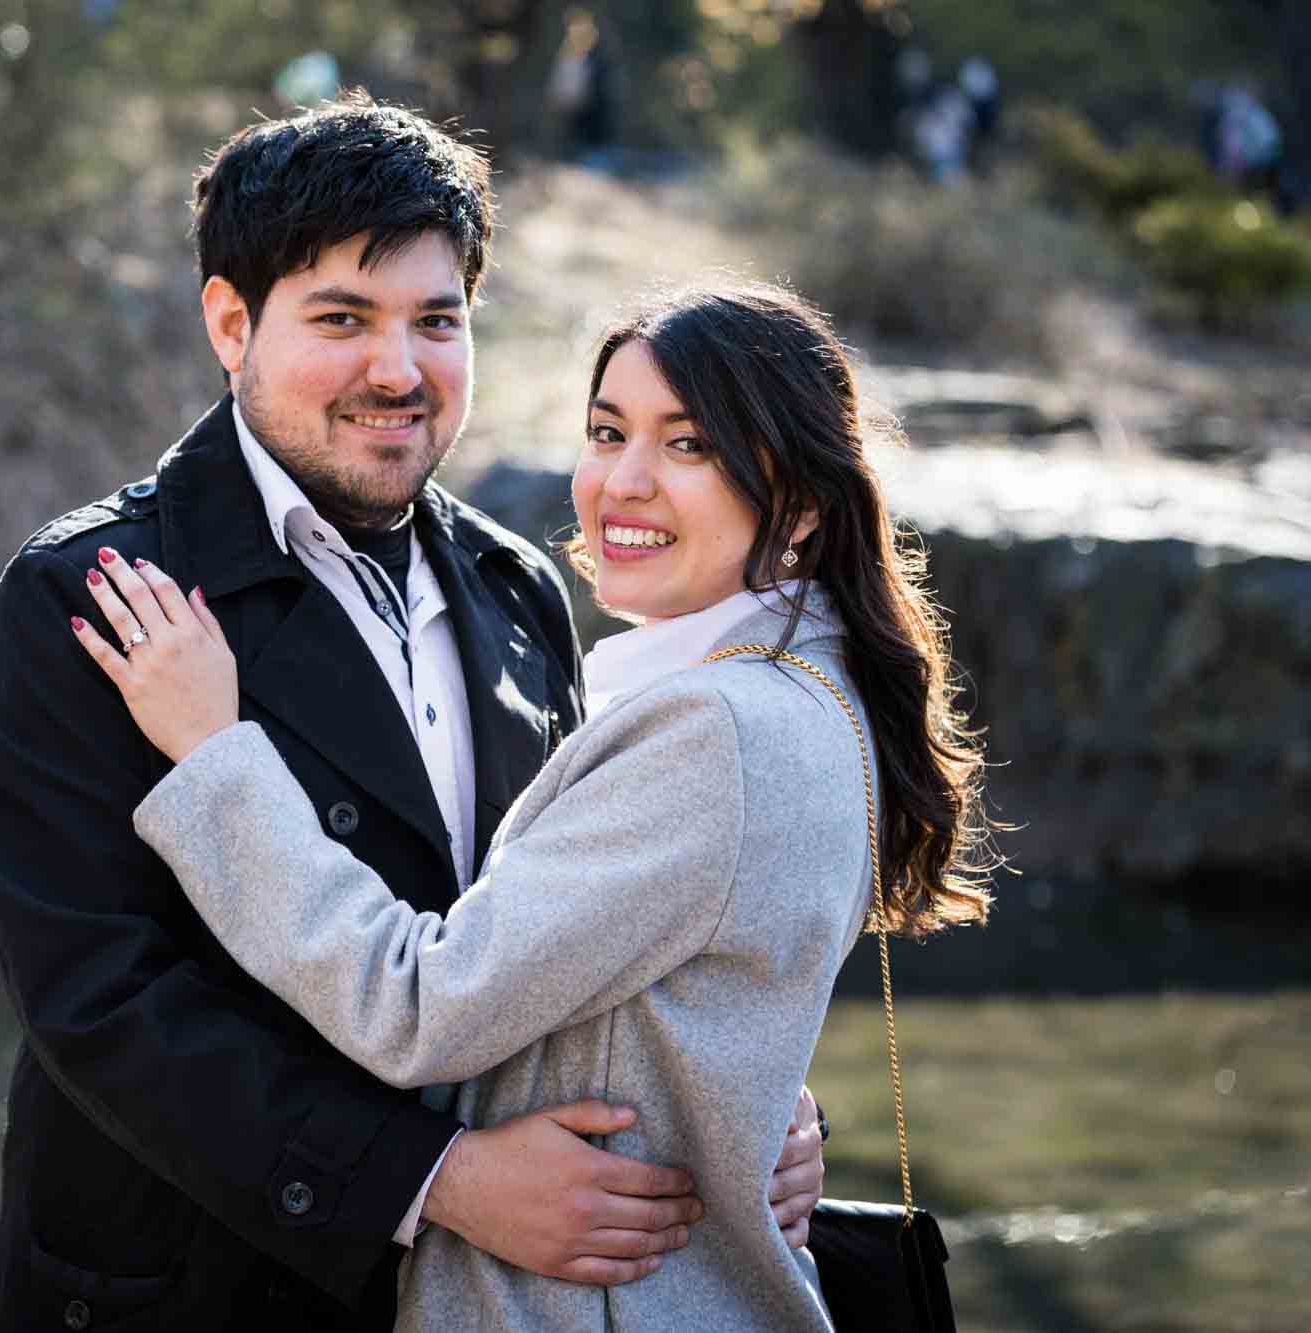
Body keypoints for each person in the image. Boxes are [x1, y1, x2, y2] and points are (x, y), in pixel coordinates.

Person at [0, 97, 826, 1332]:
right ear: (228, 323)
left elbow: (579, 940)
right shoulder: (95, 596)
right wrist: (436, 1181)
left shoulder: (516, 586)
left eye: (435, 321)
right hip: (183, 1291)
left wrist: (752, 1111)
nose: (396, 368)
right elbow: (101, 1004)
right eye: (340, 319)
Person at [69, 282, 996, 1330]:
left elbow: (416, 1007)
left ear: (803, 499)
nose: (622, 482)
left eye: (689, 446)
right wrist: (744, 1109)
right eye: (606, 432)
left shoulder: (715, 729)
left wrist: (215, 752)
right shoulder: (803, 691)